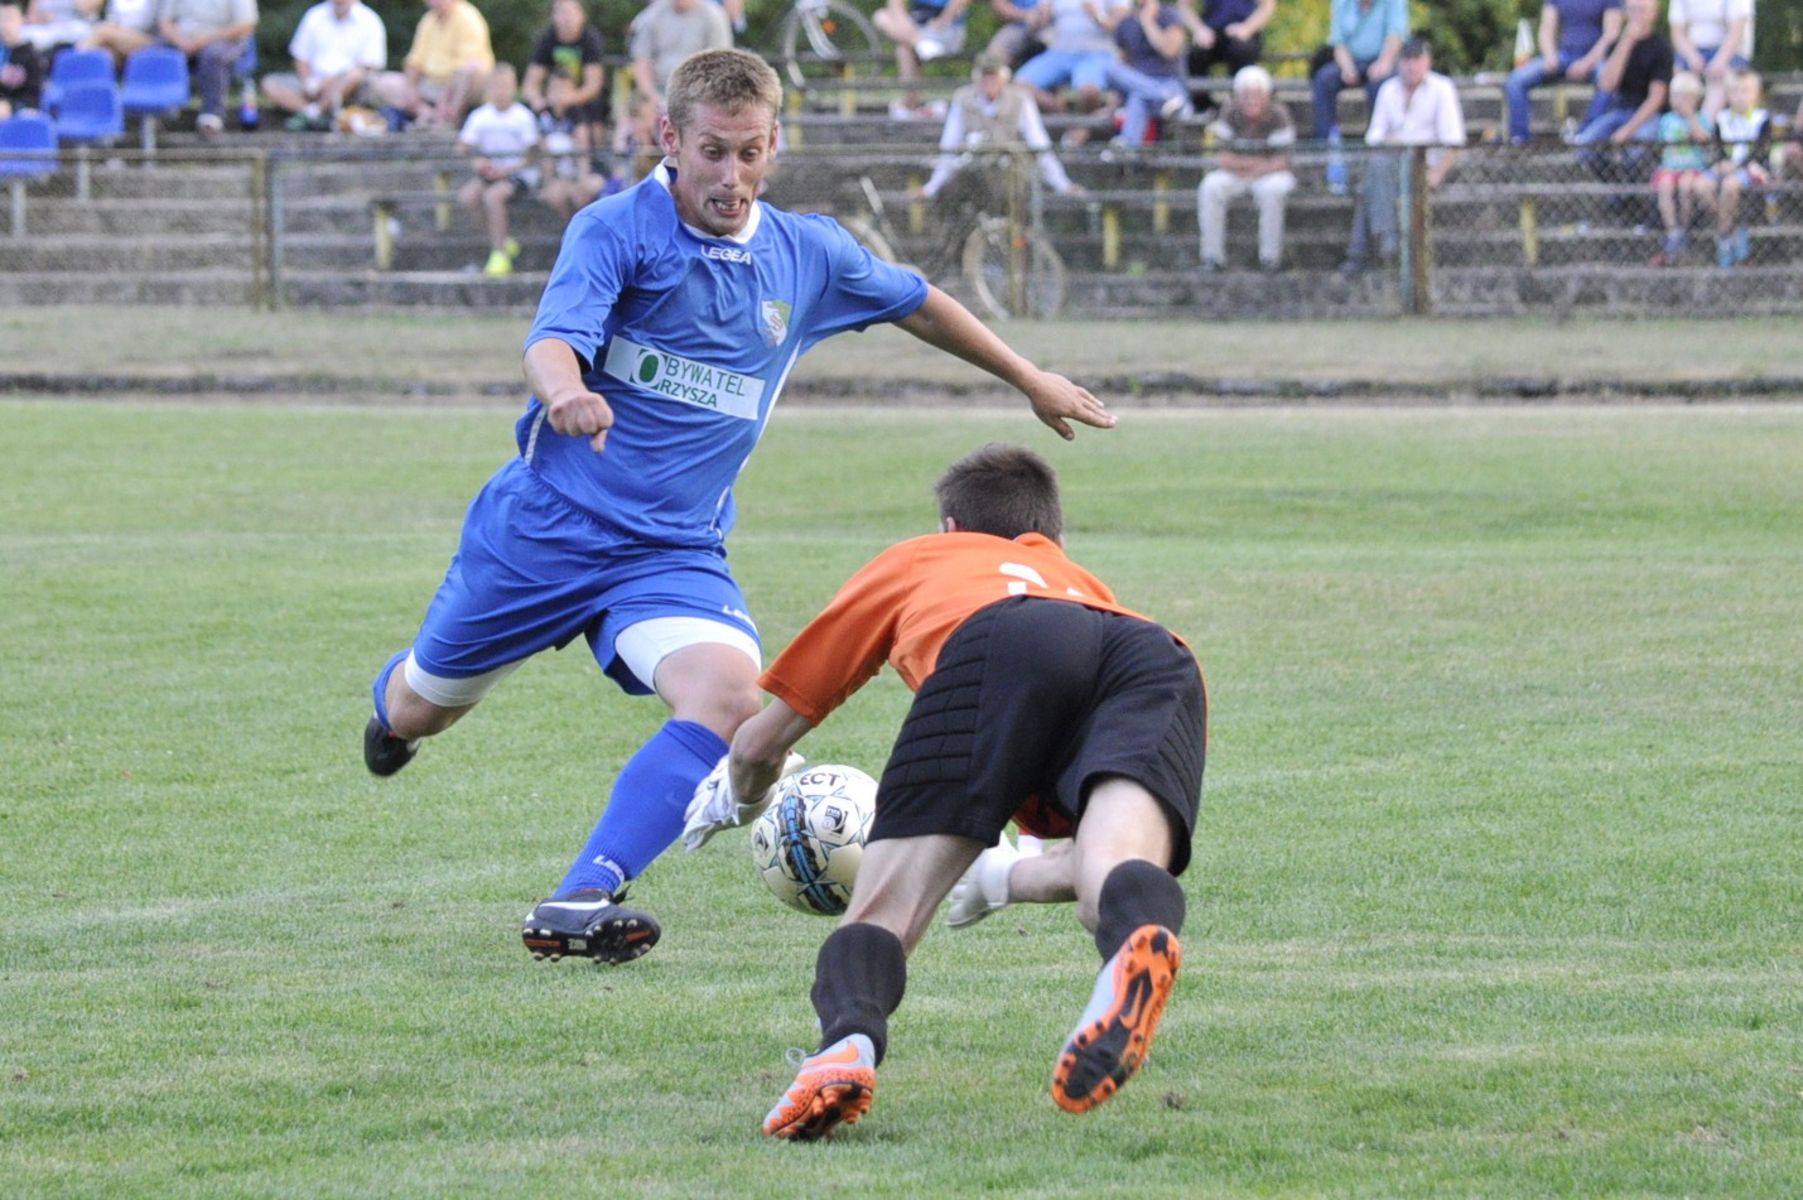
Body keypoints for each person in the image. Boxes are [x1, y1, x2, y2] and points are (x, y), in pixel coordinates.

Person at [363, 49, 1115, 969]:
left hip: (672, 549)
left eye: (752, 152)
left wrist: (1028, 376)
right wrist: (563, 392)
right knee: (421, 709)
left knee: (729, 702)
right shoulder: (615, 230)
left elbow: (917, 301)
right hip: (544, 532)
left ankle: (580, 895)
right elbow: (554, 339)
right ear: (668, 138)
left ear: (774, 145)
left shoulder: (805, 252)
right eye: (713, 152)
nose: (732, 175)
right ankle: (392, 712)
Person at [680, 443, 1205, 1139]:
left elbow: (759, 742)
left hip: (998, 640)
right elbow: (1072, 865)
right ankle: (1137, 940)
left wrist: (735, 797)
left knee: (886, 909)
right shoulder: (1080, 582)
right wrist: (1004, 880)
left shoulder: (918, 559)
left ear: (948, 531)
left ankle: (842, 1052)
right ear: (1048, 540)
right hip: (1153, 652)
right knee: (1111, 874)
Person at [1339, 36, 1463, 274]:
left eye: (1417, 59)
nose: (1411, 65)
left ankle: (1363, 252)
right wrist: (1394, 142)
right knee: (1377, 169)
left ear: (1428, 62)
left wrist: (1436, 174)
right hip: (1391, 164)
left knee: (1370, 184)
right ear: (1399, 62)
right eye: (1407, 59)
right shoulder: (1388, 90)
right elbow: (1374, 136)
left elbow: (1453, 140)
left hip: (1424, 167)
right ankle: (1387, 242)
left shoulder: (1442, 89)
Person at [921, 50, 1082, 200]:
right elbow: (950, 145)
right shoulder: (963, 99)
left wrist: (1063, 185)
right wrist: (931, 187)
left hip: (1013, 177)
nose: (989, 81)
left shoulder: (1021, 100)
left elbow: (1039, 143)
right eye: (985, 75)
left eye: (993, 75)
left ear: (1003, 76)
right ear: (976, 77)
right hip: (974, 177)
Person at [1197, 64, 1295, 272]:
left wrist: (1248, 166)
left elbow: (1283, 161)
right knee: (1210, 186)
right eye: (1246, 95)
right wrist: (1257, 163)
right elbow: (1222, 158)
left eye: (1256, 94)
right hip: (1240, 173)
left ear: (1266, 96)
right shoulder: (1229, 112)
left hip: (1270, 175)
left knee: (1273, 191)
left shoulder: (1279, 115)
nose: (1251, 100)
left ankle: (1270, 258)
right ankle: (1212, 257)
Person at [456, 63, 539, 277]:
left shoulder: (523, 116)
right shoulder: (480, 116)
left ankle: (499, 254)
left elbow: (532, 155)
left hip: (518, 174)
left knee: (493, 197)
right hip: (490, 172)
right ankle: (503, 240)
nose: (501, 91)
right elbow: (464, 146)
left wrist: (508, 170)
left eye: (505, 86)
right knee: (467, 197)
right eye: (497, 86)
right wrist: (478, 162)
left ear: (514, 87)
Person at [1503, 0, 1622, 146]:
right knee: (1516, 80)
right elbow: (1546, 29)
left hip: (1596, 57)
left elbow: (1611, 34)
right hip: (1564, 55)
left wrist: (1587, 62)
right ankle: (1519, 138)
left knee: (1608, 79)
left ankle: (1587, 136)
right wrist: (1549, 55)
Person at [1572, 0, 1669, 179]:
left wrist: (1628, 130)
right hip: (1619, 111)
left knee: (1635, 153)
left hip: (1647, 116)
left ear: (1654, 13)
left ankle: (1630, 200)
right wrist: (1627, 42)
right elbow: (1608, 85)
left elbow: (1656, 99)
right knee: (1584, 147)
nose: (1637, 15)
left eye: (1642, 10)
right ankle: (1615, 193)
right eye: (1632, 10)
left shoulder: (1661, 48)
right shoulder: (1618, 45)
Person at [261, 0, 387, 131]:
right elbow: (300, 57)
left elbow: (366, 66)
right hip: (312, 84)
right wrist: (309, 82)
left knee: (354, 76)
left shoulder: (370, 20)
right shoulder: (314, 15)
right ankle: (314, 114)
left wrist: (324, 83)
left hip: (348, 88)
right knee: (270, 83)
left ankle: (315, 113)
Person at [372, 0, 494, 131]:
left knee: (470, 71)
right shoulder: (428, 20)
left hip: (459, 87)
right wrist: (411, 91)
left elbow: (469, 63)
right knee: (382, 83)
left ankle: (448, 121)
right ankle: (427, 115)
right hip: (431, 86)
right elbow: (414, 62)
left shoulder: (468, 18)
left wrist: (446, 95)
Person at [1694, 68, 1769, 267]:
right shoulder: (1722, 119)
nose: (1740, 96)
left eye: (1745, 91)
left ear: (1756, 94)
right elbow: (1717, 150)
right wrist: (1720, 164)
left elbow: (1761, 152)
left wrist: (1736, 165)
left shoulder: (1761, 119)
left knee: (1730, 186)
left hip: (1750, 170)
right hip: (1725, 167)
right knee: (1701, 185)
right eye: (1735, 91)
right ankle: (1731, 229)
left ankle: (1724, 239)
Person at [156, 0, 257, 136]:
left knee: (212, 55)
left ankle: (212, 116)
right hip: (181, 41)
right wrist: (181, 42)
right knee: (154, 53)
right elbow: (165, 22)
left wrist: (205, 39)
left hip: (224, 42)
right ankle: (157, 112)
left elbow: (246, 26)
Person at [1014, 0, 1131, 117]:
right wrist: (1038, 19)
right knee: (1018, 85)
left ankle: (1081, 129)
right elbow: (1038, 22)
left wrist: (1098, 16)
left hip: (1096, 54)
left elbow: (1123, 26)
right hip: (1058, 53)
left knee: (1089, 93)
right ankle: (1065, 117)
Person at [1309, 0, 1406, 140]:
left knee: (1381, 87)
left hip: (1382, 58)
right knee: (1323, 79)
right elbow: (1338, 41)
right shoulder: (1342, 2)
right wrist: (1347, 67)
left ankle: (1376, 140)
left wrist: (1384, 62)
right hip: (1351, 59)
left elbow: (1396, 35)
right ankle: (1325, 140)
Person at [522, 0, 607, 155]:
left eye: (570, 12)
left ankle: (594, 161)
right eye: (561, 12)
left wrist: (566, 99)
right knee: (527, 114)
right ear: (553, 16)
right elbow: (530, 84)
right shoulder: (547, 39)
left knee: (594, 112)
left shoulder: (590, 40)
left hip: (582, 101)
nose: (566, 18)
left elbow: (593, 85)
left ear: (582, 16)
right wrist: (540, 103)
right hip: (553, 100)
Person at [1102, 0, 1191, 147]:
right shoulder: (1126, 22)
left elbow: (1169, 51)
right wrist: (1113, 104)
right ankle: (1163, 96)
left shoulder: (1170, 15)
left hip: (1168, 81)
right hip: (1164, 95)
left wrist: (1148, 22)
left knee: (1139, 95)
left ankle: (1127, 146)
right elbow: (1122, 65)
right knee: (1109, 68)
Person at [1649, 70, 1710, 265]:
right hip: (1670, 167)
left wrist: (1691, 118)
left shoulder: (1700, 119)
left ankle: (1684, 226)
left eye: (1686, 97)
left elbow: (1703, 140)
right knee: (1665, 186)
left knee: (1686, 186)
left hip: (1692, 168)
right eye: (1676, 96)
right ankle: (1672, 229)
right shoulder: (1666, 120)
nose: (1681, 101)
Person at [873, 0, 970, 119]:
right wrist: (904, 24)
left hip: (945, 27)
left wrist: (942, 21)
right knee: (881, 17)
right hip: (917, 29)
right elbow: (895, 4)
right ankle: (921, 44)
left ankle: (909, 106)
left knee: (904, 48)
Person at [629, 0, 731, 109]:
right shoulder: (651, 16)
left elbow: (720, 63)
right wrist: (651, 97)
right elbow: (641, 60)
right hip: (659, 92)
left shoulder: (714, 16)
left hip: (700, 96)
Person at [1668, 0, 1750, 118]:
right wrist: (1692, 57)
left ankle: (1705, 127)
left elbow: (1736, 32)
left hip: (1727, 53)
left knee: (1720, 80)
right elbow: (1677, 34)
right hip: (1692, 51)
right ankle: (1680, 126)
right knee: (1681, 82)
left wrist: (1720, 61)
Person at [1180, 0, 1273, 101]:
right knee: (1195, 55)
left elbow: (1267, 5)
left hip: (1244, 34)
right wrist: (1199, 30)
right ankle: (1203, 108)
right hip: (1211, 33)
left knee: (1242, 52)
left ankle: (1238, 106)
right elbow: (1183, 6)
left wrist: (1247, 28)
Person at [0, 1, 45, 117]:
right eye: (1, 18)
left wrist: (11, 106)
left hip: (18, 111)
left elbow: (34, 98)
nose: (5, 25)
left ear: (22, 20)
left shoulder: (32, 56)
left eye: (10, 19)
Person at [81, 0, 160, 64]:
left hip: (147, 39)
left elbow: (154, 23)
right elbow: (110, 18)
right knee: (107, 52)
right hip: (118, 38)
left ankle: (75, 62)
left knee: (103, 31)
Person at [983, 0, 1049, 71]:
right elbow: (999, 4)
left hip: (1052, 28)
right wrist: (1025, 15)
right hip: (1019, 26)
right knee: (992, 58)